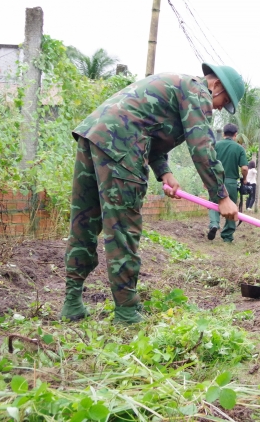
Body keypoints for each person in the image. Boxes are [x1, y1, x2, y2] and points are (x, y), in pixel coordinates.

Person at [63, 64, 243, 324]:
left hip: (94, 135)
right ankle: (126, 312)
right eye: (222, 101)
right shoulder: (198, 91)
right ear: (215, 86)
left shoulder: (177, 85)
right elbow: (201, 146)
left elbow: (151, 131)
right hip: (122, 146)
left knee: (84, 220)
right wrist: (222, 196)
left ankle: (72, 303)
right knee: (122, 227)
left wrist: (164, 173)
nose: (216, 108)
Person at [207, 123, 248, 243]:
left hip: (215, 181)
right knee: (232, 207)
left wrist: (207, 179)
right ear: (235, 135)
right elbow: (244, 168)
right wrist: (244, 179)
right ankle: (227, 236)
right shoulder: (239, 148)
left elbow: (207, 162)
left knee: (213, 203)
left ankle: (214, 224)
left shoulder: (215, 145)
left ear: (224, 133)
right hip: (231, 182)